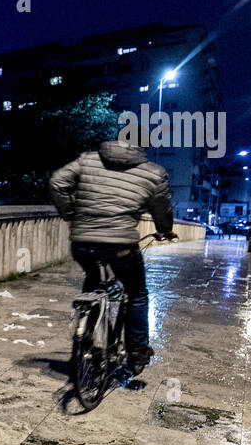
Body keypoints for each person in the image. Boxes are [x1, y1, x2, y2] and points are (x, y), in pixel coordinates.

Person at [49, 139, 176, 376]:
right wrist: (164, 229)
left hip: (83, 242)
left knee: (94, 278)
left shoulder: (87, 160)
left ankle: (87, 336)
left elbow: (57, 183)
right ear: (142, 149)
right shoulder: (153, 173)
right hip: (122, 247)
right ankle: (137, 351)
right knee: (137, 293)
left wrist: (70, 213)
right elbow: (162, 208)